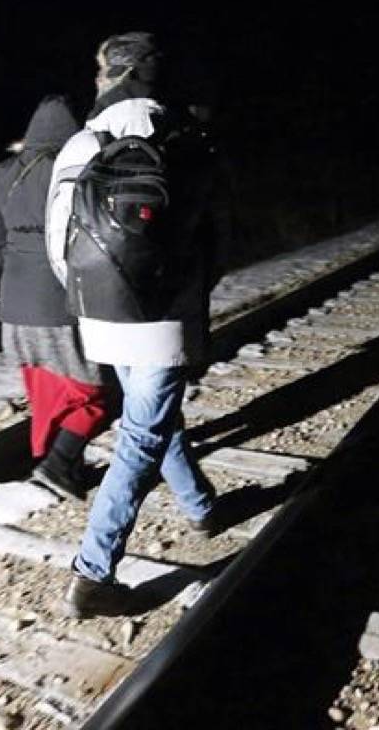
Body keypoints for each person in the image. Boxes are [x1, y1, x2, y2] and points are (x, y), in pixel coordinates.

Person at [45, 32, 222, 618]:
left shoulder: (81, 141)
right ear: (154, 75)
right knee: (141, 436)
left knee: (151, 412)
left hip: (100, 312)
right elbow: (209, 234)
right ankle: (93, 573)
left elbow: (56, 238)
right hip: (162, 317)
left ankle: (199, 506)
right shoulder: (179, 136)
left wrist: (91, 295)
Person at [0, 95, 111, 499]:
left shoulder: (4, 173)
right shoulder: (80, 167)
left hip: (14, 305)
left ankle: (66, 466)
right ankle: (57, 463)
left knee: (47, 390)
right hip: (59, 301)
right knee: (96, 392)